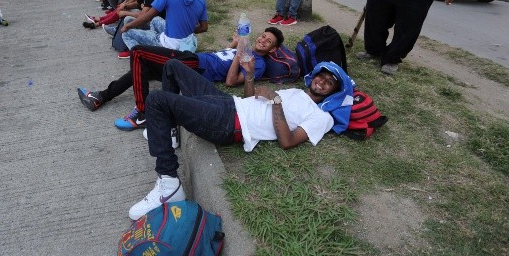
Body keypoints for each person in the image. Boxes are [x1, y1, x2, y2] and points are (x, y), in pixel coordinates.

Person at [127, 57, 351, 220]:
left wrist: (276, 100)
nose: (321, 81)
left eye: (329, 82)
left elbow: (288, 141)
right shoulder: (298, 92)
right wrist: (250, 76)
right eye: (321, 76)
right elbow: (251, 99)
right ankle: (171, 134)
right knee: (172, 66)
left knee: (156, 100)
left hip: (230, 123)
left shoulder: (322, 117)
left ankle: (169, 184)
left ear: (334, 92)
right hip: (230, 103)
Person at [76, 27, 284, 130]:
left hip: (195, 67)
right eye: (263, 35)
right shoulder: (245, 48)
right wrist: (234, 44)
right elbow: (223, 56)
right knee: (143, 68)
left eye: (269, 41)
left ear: (273, 48)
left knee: (138, 53)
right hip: (195, 59)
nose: (263, 40)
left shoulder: (259, 63)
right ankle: (101, 96)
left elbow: (230, 81)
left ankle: (142, 112)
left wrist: (239, 52)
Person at [120, 0, 208, 54]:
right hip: (188, 44)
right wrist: (185, 29)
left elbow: (147, 17)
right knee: (156, 20)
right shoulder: (201, 0)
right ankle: (153, 46)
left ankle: (143, 57)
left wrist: (127, 26)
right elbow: (204, 27)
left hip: (169, 44)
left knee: (126, 33)